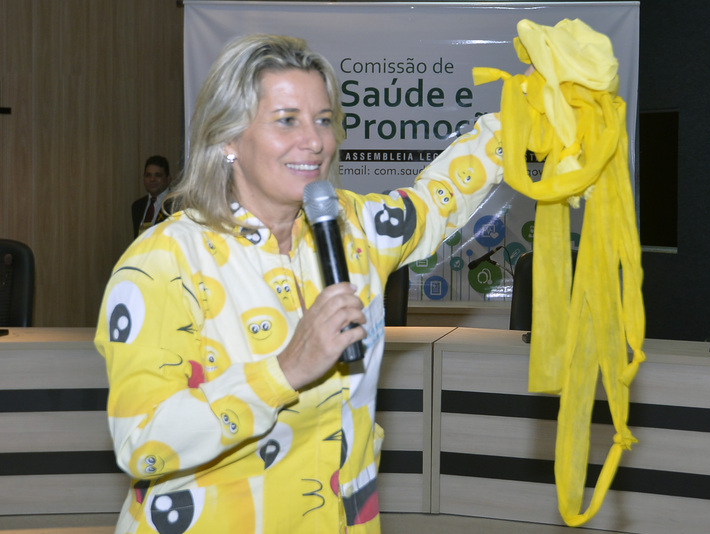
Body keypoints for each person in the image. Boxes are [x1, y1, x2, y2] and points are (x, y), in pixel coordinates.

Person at [95, 34, 504, 533]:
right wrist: (283, 371)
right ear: (227, 138)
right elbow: (140, 442)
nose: (316, 141)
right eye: (287, 120)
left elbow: (440, 197)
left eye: (324, 119)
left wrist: (518, 118)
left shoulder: (354, 226)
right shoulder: (165, 260)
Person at [131, 155, 173, 238]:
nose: (152, 179)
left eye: (158, 175)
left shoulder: (176, 204)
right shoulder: (137, 206)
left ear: (168, 179)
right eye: (148, 175)